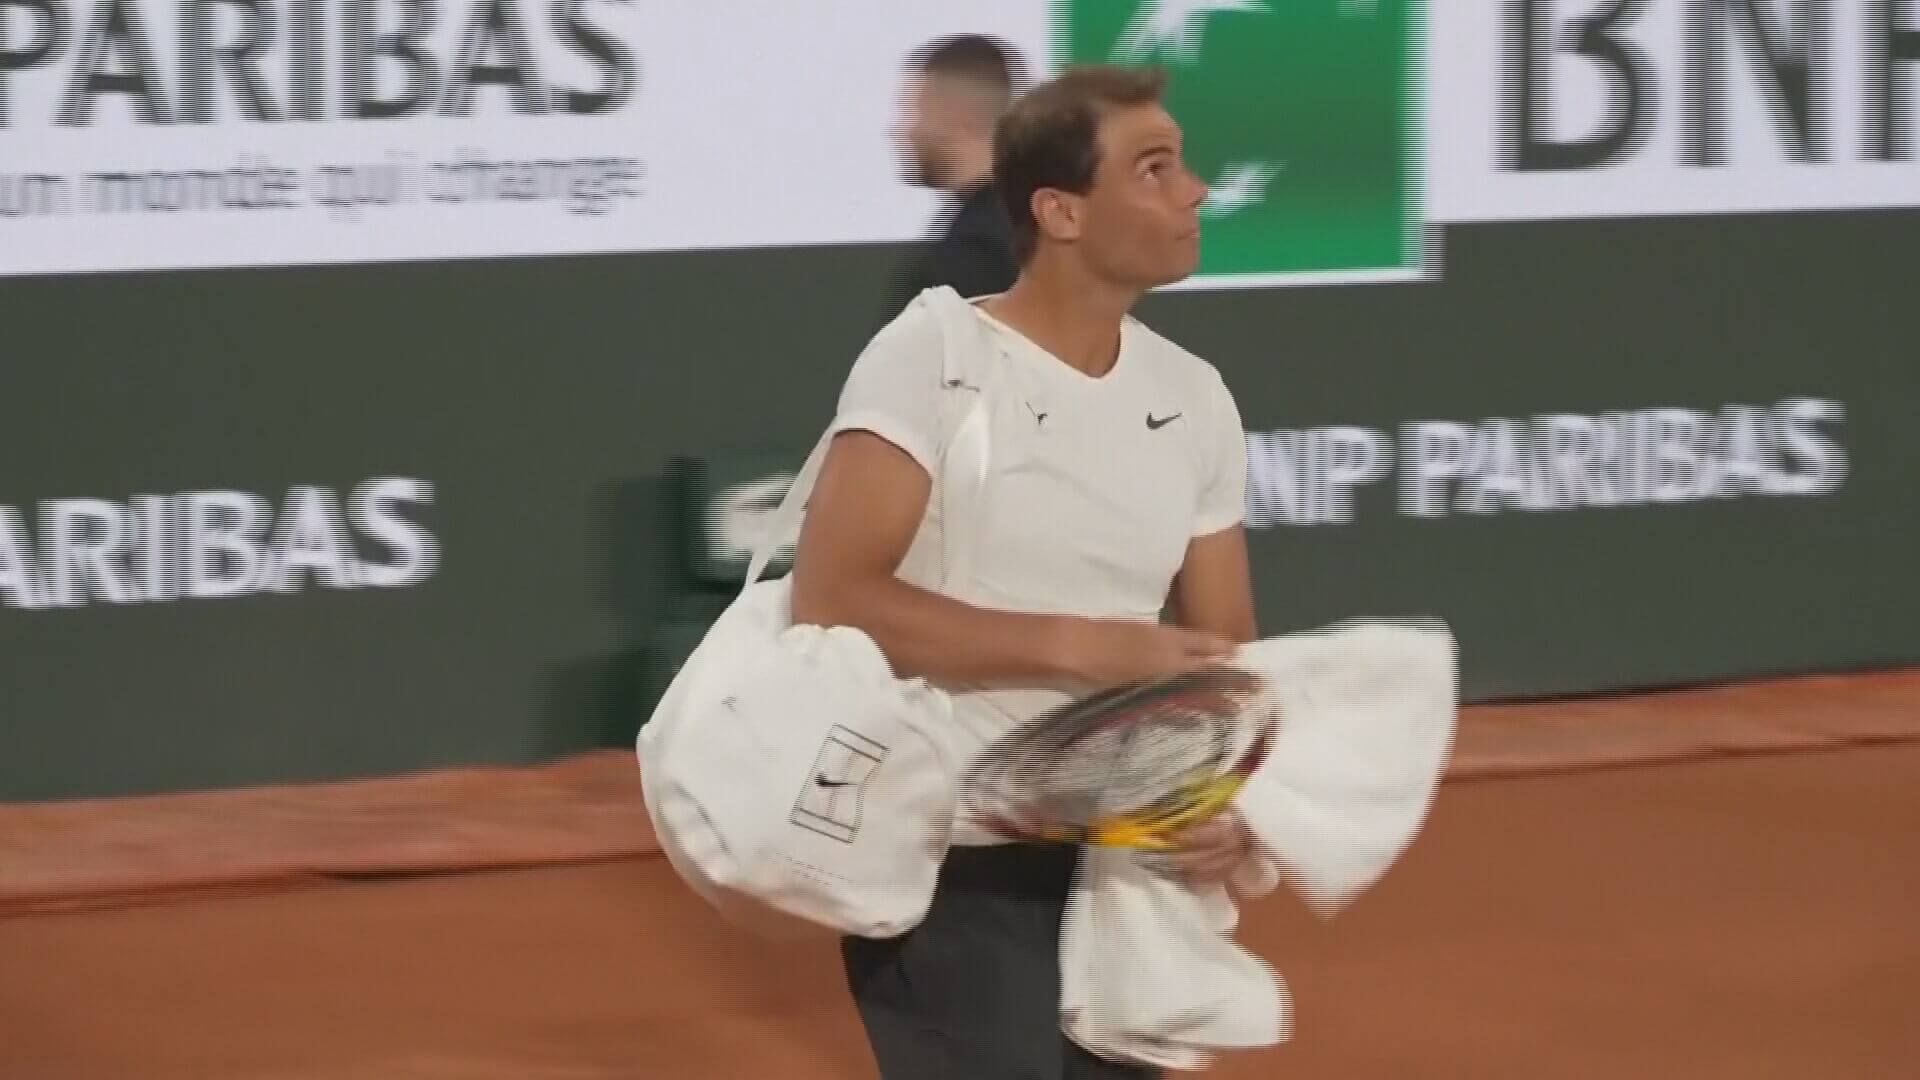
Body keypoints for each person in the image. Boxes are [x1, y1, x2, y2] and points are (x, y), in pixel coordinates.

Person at [790, 64, 1257, 1079]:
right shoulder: (934, 354)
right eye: (1155, 168)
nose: (1196, 191)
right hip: (952, 863)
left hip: (1129, 866)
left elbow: (1226, 651)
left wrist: (1225, 804)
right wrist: (1083, 646)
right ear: (1061, 211)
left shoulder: (1197, 398)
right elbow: (833, 597)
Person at [882, 34, 1027, 319]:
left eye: (913, 112)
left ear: (955, 114)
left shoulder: (977, 253)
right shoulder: (1029, 225)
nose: (903, 131)